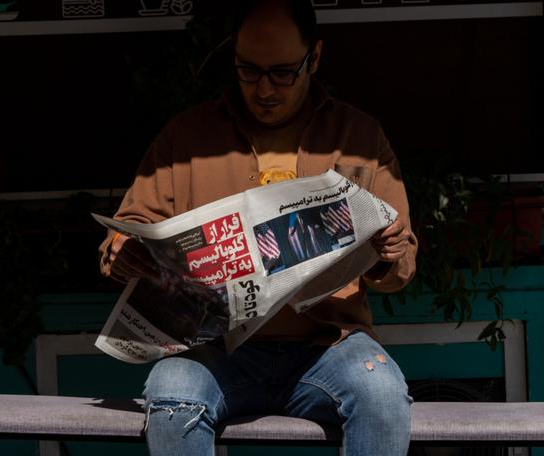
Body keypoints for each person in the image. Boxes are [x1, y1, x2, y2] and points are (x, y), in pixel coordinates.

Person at [98, 0, 418, 454]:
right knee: (173, 398)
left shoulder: (360, 137)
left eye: (283, 72)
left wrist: (390, 250)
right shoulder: (186, 138)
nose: (265, 89)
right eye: (248, 71)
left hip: (329, 345)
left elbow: (403, 264)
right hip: (217, 352)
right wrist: (125, 248)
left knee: (383, 396)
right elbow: (129, 228)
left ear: (316, 58)